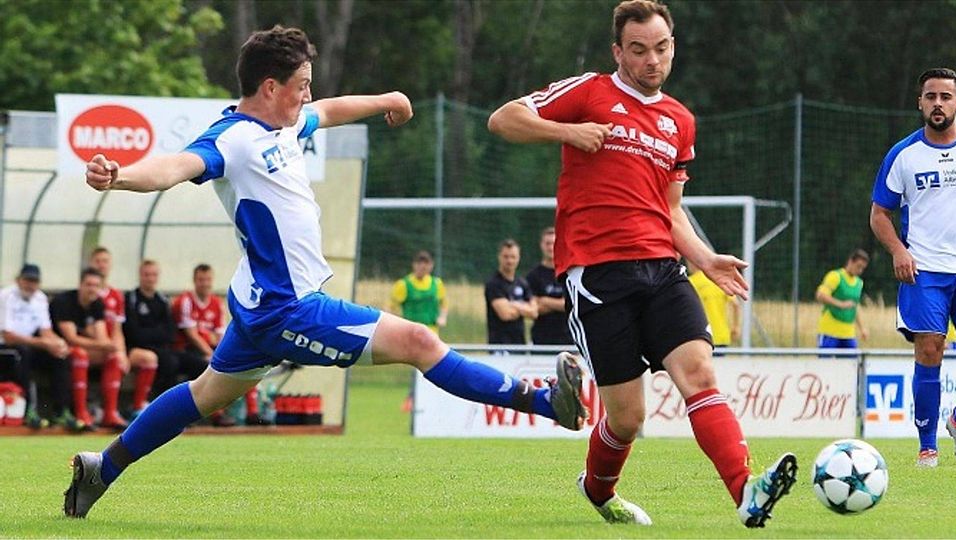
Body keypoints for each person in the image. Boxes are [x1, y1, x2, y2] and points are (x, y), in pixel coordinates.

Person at [64, 25, 586, 519]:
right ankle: (546, 402)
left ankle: (101, 468)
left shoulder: (285, 124)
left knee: (204, 394)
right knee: (420, 342)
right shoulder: (233, 139)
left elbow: (330, 111)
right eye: (302, 86)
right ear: (270, 87)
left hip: (259, 303)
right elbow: (176, 166)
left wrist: (386, 101)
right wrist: (119, 176)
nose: (308, 97)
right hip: (287, 308)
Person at [487, 0, 796, 527]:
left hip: (663, 269)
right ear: (618, 52)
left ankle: (746, 490)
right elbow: (503, 119)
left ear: (673, 45)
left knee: (699, 374)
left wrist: (705, 259)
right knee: (627, 418)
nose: (652, 60)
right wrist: (568, 132)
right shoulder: (589, 91)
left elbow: (670, 211)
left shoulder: (680, 121)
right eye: (638, 50)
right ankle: (598, 489)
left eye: (661, 48)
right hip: (597, 272)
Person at [870, 67, 956, 468]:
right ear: (920, 103)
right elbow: (879, 214)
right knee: (929, 349)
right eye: (930, 97)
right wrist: (897, 251)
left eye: (945, 96)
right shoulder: (903, 154)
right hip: (925, 271)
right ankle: (928, 447)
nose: (937, 104)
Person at [172, 263, 262, 425]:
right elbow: (192, 335)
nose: (205, 283)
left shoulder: (217, 303)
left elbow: (220, 335)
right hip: (188, 350)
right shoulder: (185, 301)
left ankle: (253, 412)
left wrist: (218, 348)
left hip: (210, 348)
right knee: (213, 366)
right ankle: (217, 415)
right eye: (201, 280)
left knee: (247, 364)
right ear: (194, 281)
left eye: (207, 279)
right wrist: (211, 351)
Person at [0, 264, 77, 430]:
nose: (30, 284)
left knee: (60, 356)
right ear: (18, 280)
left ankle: (61, 411)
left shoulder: (40, 298)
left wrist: (58, 343)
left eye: (34, 281)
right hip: (5, 348)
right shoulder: (6, 296)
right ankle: (29, 410)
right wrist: (43, 343)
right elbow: (8, 336)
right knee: (23, 353)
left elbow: (45, 331)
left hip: (28, 345)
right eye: (27, 280)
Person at [50, 268, 126, 429]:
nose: (92, 289)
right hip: (56, 351)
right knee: (80, 354)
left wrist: (114, 351)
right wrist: (106, 345)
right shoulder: (64, 301)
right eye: (88, 284)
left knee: (113, 358)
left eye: (96, 285)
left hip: (81, 348)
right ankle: (81, 413)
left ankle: (110, 413)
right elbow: (71, 338)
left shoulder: (97, 304)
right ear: (80, 284)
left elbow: (101, 335)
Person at [124, 260, 207, 409]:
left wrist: (150, 333)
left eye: (153, 274)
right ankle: (166, 409)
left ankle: (194, 409)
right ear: (140, 276)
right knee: (170, 363)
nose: (150, 278)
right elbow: (133, 334)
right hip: (139, 349)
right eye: (147, 274)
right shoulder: (131, 299)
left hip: (164, 349)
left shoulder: (162, 300)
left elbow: (170, 334)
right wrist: (156, 333)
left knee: (199, 364)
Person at [89, 247, 158, 418]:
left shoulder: (116, 295)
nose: (101, 265)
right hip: (95, 347)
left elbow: (118, 329)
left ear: (110, 264)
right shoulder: (89, 291)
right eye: (98, 261)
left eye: (105, 261)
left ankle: (137, 408)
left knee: (148, 358)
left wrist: (121, 352)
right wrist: (113, 351)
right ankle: (109, 413)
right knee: (113, 358)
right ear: (91, 263)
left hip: (113, 346)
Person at [484, 239, 538, 348]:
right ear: (499, 257)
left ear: (518, 258)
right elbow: (505, 314)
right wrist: (524, 307)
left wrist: (513, 305)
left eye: (513, 257)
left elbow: (534, 313)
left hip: (520, 344)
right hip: (499, 346)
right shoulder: (493, 283)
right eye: (506, 256)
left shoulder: (522, 283)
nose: (509, 261)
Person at [526, 227, 574, 346]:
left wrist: (544, 300)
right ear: (541, 245)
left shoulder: (568, 273)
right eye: (547, 243)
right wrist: (559, 303)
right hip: (541, 340)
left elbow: (570, 304)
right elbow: (534, 309)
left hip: (568, 339)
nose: (550, 247)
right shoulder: (533, 275)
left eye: (553, 243)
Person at [814, 249, 869, 353]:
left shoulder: (859, 283)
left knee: (852, 365)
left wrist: (862, 328)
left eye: (863, 268)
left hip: (848, 333)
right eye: (858, 266)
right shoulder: (835, 276)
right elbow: (820, 295)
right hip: (829, 331)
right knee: (825, 365)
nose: (860, 270)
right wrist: (840, 304)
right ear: (850, 261)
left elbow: (855, 306)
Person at [687, 259, 741, 350]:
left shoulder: (691, 282)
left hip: (701, 335)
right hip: (721, 334)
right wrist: (736, 326)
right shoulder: (719, 280)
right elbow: (736, 304)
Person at [389, 251, 448, 333]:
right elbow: (391, 308)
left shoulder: (437, 283)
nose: (422, 266)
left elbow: (443, 304)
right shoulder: (403, 284)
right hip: (411, 332)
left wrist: (442, 317)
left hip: (432, 332)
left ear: (431, 265)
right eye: (419, 263)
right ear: (414, 265)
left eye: (426, 263)